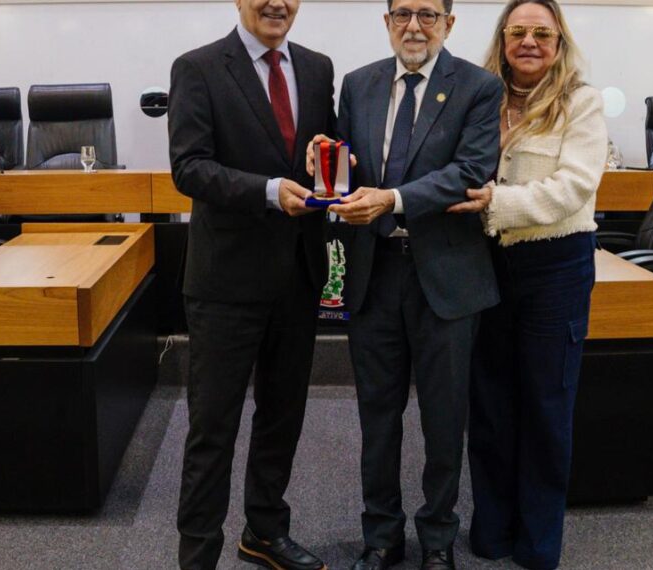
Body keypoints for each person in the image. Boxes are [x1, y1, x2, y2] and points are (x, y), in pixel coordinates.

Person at [311, 0, 500, 567]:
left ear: (448, 22)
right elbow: (348, 169)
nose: (413, 26)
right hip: (374, 274)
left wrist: (391, 200)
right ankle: (381, 535)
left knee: (445, 419)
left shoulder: (478, 86)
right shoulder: (359, 83)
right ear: (387, 21)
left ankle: (438, 537)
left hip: (446, 278)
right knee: (377, 414)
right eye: (402, 14)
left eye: (426, 13)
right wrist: (324, 163)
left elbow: (471, 172)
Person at [166, 0, 336, 566]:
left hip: (298, 276)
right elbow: (189, 167)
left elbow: (323, 152)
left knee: (281, 416)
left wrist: (323, 159)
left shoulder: (317, 67)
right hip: (225, 285)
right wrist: (269, 189)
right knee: (213, 428)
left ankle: (263, 530)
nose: (276, 2)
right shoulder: (198, 67)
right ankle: (198, 555)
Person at [446, 0, 603, 567]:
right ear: (502, 38)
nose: (530, 42)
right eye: (519, 32)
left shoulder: (579, 102)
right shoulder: (477, 94)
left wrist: (496, 203)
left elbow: (575, 187)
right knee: (488, 403)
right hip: (484, 265)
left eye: (542, 33)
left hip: (554, 266)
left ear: (558, 42)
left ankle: (538, 542)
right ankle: (491, 528)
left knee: (545, 405)